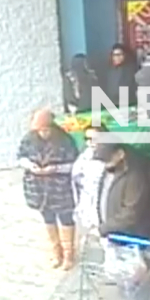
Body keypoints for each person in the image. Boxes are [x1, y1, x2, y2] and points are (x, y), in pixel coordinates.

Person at [18, 109, 79, 270]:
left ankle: (69, 253)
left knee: (66, 218)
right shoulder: (29, 140)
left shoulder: (66, 141)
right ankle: (55, 250)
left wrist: (56, 168)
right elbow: (21, 157)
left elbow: (74, 164)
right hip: (38, 188)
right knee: (48, 218)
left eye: (46, 130)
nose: (43, 133)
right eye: (40, 130)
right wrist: (31, 166)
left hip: (60, 188)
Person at [95, 142, 150, 240]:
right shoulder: (109, 169)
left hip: (130, 239)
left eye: (107, 160)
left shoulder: (136, 176)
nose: (105, 164)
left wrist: (103, 228)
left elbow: (131, 214)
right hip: (111, 234)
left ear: (120, 154)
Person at [71, 125, 108, 232]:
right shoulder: (85, 155)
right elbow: (76, 177)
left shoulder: (111, 156)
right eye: (87, 139)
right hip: (87, 203)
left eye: (94, 138)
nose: (90, 142)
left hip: (105, 204)